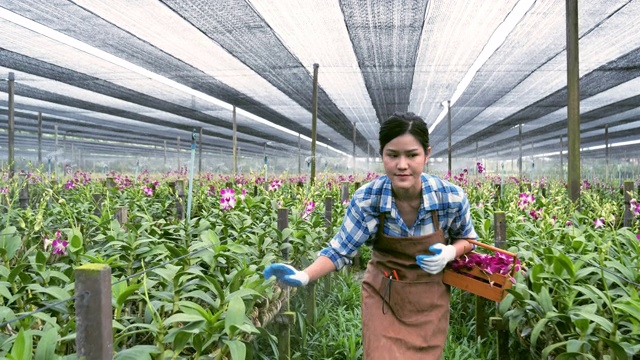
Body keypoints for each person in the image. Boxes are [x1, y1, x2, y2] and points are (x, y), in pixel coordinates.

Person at [264, 112, 478, 359]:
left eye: (412, 155)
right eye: (392, 155)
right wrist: (304, 275)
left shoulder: (449, 197)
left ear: (427, 154)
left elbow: (468, 239)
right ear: (382, 155)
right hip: (383, 298)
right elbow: (340, 249)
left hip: (429, 301)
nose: (402, 165)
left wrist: (452, 251)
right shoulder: (368, 199)